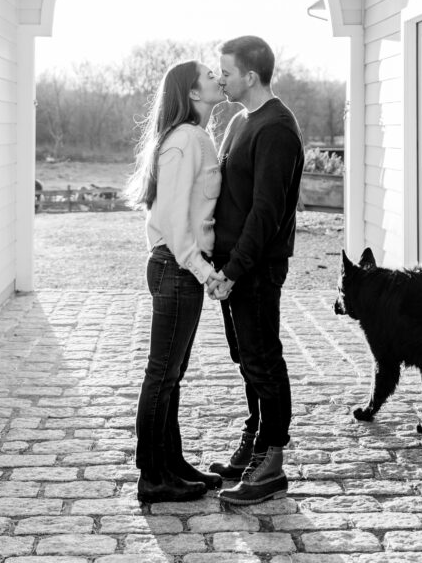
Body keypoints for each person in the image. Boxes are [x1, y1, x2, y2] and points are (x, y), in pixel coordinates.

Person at [206, 35, 304, 505]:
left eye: (225, 72)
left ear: (250, 75)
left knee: (264, 360)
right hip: (232, 267)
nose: (219, 78)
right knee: (247, 362)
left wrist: (237, 269)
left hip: (257, 270)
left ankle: (273, 463)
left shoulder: (277, 129)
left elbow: (265, 213)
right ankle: (256, 442)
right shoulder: (241, 122)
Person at [128, 60, 226, 504]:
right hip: (177, 268)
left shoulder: (194, 137)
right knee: (161, 375)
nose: (218, 78)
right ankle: (152, 476)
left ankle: (172, 463)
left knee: (173, 374)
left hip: (175, 268)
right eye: (209, 75)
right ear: (191, 92)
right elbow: (171, 219)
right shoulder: (186, 140)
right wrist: (205, 272)